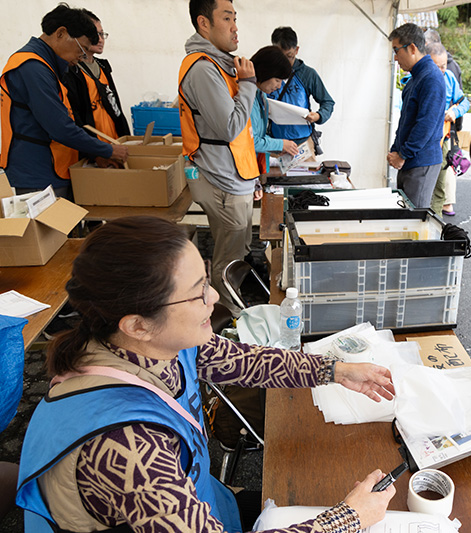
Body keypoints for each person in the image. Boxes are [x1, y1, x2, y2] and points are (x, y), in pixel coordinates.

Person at [15, 216, 396, 533]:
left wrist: (334, 369)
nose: (213, 297)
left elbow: (244, 360)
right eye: (198, 292)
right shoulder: (127, 448)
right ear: (138, 325)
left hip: (198, 501)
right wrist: (349, 518)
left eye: (206, 279)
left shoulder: (160, 343)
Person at [178, 0, 261, 314]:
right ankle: (226, 318)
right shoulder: (203, 70)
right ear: (204, 23)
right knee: (228, 259)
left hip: (235, 176)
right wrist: (249, 85)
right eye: (227, 18)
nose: (235, 27)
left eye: (235, 18)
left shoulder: (220, 65)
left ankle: (231, 307)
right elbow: (229, 127)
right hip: (222, 180)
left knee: (238, 250)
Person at [0, 3, 128, 198]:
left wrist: (96, 155)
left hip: (56, 167)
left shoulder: (49, 65)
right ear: (61, 33)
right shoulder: (32, 68)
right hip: (38, 175)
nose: (81, 57)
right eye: (81, 49)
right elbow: (60, 127)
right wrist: (107, 150)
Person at [387, 23, 446, 209]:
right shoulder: (415, 78)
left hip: (421, 161)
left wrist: (403, 154)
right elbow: (406, 121)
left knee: (413, 217)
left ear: (412, 48)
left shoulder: (431, 77)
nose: (395, 57)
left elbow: (425, 125)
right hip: (410, 160)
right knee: (404, 214)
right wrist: (396, 149)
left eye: (397, 50)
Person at [62, 9, 130, 142]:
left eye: (102, 34)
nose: (100, 39)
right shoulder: (71, 70)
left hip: (115, 141)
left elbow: (116, 108)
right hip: (93, 146)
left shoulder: (103, 67)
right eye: (95, 34)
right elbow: (75, 116)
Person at [268, 26, 334, 153]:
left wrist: (318, 116)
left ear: (296, 50)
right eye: (280, 57)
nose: (285, 62)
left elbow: (328, 102)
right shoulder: (266, 73)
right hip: (275, 143)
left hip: (303, 143)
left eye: (289, 56)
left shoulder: (307, 74)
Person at [428, 43, 469, 217]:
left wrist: (454, 112)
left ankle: (435, 221)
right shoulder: (418, 78)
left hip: (443, 139)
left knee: (440, 185)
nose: (440, 71)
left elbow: (464, 102)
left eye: (443, 66)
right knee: (420, 184)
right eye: (435, 66)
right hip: (423, 140)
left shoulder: (450, 77)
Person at [250, 45, 298, 167]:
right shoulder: (247, 98)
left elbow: (260, 135)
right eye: (277, 80)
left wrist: (278, 148)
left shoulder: (261, 95)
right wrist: (281, 144)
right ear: (265, 72)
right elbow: (252, 141)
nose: (279, 86)